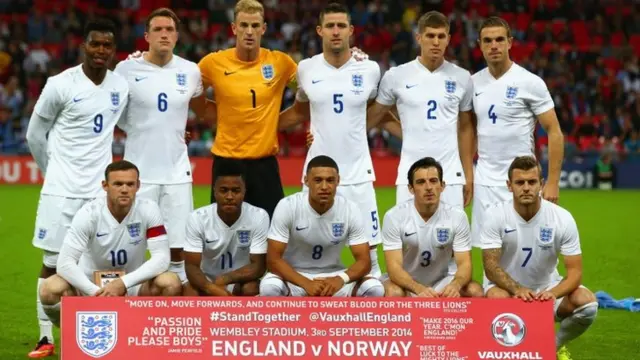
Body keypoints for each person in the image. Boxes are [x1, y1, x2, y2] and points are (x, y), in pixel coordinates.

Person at [198, 0, 367, 218]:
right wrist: (225, 118)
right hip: (226, 163)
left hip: (265, 165)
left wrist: (350, 60)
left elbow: (316, 90)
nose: (249, 32)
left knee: (273, 238)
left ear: (264, 28)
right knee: (223, 239)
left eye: (255, 25)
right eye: (244, 25)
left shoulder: (280, 63)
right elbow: (185, 95)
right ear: (233, 28)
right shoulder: (213, 63)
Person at [25, 19, 129, 358]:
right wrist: (50, 172)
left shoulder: (119, 85)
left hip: (98, 192)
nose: (101, 51)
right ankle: (45, 337)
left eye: (107, 46)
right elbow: (34, 134)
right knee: (53, 263)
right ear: (83, 46)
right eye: (95, 44)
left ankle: (98, 332)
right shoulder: (60, 84)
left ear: (114, 51)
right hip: (61, 191)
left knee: (98, 263)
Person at [276, 2, 383, 277]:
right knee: (303, 249)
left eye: (341, 26)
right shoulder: (306, 69)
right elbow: (300, 110)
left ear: (351, 31)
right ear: (320, 30)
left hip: (359, 173)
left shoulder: (370, 69)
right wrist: (261, 129)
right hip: (317, 175)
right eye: (331, 26)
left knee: (371, 259)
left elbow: (378, 111)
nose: (336, 31)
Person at [114, 8, 204, 285]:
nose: (164, 34)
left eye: (169, 30)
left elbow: (197, 109)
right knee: (137, 244)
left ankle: (174, 298)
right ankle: (135, 302)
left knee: (178, 247)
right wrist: (144, 131)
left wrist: (176, 133)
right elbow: (116, 117)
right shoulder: (126, 69)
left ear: (177, 36)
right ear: (146, 36)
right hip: (139, 174)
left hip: (177, 172)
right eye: (158, 29)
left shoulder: (190, 71)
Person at [38, 160, 182, 327]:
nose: (124, 189)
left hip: (133, 285)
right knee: (50, 288)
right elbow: (64, 263)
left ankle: (149, 338)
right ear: (105, 185)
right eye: (118, 184)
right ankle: (73, 336)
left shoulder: (149, 209)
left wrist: (122, 283)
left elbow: (162, 258)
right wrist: (98, 293)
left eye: (130, 184)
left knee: (170, 282)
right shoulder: (88, 214)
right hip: (89, 286)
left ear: (138, 185)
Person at [480, 156, 597, 360]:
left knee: (587, 305)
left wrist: (552, 293)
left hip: (546, 288)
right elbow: (490, 266)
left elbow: (575, 273)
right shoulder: (495, 216)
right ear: (509, 186)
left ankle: (552, 347)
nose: (526, 188)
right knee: (495, 297)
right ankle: (510, 350)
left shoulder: (562, 218)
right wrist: (517, 289)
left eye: (532, 182)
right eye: (520, 182)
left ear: (541, 184)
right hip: (507, 290)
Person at [366, 11, 475, 208]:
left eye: (441, 36)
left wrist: (469, 173)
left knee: (451, 238)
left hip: (450, 176)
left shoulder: (462, 77)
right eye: (430, 36)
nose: (436, 42)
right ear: (419, 38)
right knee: (410, 238)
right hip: (409, 174)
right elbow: (374, 117)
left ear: (448, 39)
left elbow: (466, 128)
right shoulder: (396, 76)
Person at [470, 17, 564, 247]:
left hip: (524, 180)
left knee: (531, 247)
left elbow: (554, 132)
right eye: (488, 40)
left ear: (510, 42)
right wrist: (467, 174)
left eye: (500, 39)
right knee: (489, 251)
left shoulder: (529, 82)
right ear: (480, 45)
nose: (494, 45)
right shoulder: (471, 84)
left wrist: (552, 182)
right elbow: (469, 132)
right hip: (485, 182)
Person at [259, 155, 385, 297]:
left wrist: (341, 279)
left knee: (374, 288)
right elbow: (273, 260)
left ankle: (349, 319)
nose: (324, 187)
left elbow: (364, 261)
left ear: (338, 181)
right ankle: (287, 319)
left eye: (330, 180)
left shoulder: (350, 209)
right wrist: (306, 283)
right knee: (269, 287)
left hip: (333, 276)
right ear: (306, 181)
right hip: (295, 277)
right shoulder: (288, 206)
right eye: (318, 180)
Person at [382, 157, 483, 297]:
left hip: (441, 282)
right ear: (411, 189)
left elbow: (465, 264)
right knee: (393, 292)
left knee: (474, 291)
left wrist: (456, 285)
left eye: (434, 181)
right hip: (406, 283)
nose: (428, 187)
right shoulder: (394, 217)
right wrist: (418, 289)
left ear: (442, 186)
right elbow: (394, 268)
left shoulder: (457, 216)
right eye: (421, 182)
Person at [183, 159, 269, 296]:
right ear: (215, 191)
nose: (229, 196)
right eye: (223, 190)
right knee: (189, 290)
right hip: (208, 280)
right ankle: (197, 318)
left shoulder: (259, 216)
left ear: (244, 191)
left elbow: (258, 266)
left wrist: (225, 279)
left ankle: (244, 317)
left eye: (235, 191)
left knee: (251, 288)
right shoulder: (197, 218)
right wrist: (211, 288)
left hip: (240, 280)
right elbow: (191, 267)